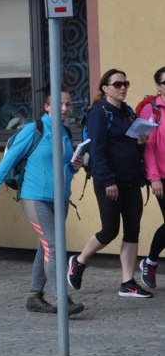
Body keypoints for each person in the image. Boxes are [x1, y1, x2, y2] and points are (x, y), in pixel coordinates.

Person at [0, 90, 84, 315]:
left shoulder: (66, 132)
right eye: (59, 104)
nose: (64, 109)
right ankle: (62, 299)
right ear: (47, 107)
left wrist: (74, 167)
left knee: (46, 245)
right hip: (35, 198)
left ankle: (34, 296)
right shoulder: (34, 130)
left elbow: (64, 168)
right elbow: (8, 160)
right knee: (54, 245)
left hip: (60, 199)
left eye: (68, 105)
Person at [68, 68, 151, 298]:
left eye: (125, 84)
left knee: (132, 230)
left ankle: (127, 282)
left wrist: (141, 143)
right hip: (109, 182)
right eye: (117, 84)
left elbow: (130, 146)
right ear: (105, 88)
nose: (123, 88)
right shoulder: (99, 113)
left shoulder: (128, 112)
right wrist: (107, 180)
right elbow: (98, 150)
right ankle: (79, 261)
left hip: (131, 180)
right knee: (109, 231)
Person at [140, 65, 165, 290]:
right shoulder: (152, 110)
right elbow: (148, 148)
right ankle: (150, 262)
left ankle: (150, 262)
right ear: (158, 86)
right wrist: (154, 177)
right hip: (162, 177)